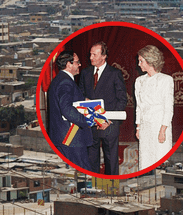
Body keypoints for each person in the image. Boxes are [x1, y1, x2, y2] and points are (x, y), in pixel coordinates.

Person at [78, 41, 127, 175]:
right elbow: (79, 95)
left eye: (94, 54)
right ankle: (94, 189)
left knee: (111, 160)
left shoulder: (114, 73)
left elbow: (122, 99)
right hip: (90, 125)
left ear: (104, 56)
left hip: (108, 125)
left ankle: (111, 189)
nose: (90, 57)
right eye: (90, 54)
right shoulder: (85, 73)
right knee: (91, 160)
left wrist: (108, 120)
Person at [47, 50, 93, 170]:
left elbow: (70, 100)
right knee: (84, 171)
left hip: (63, 137)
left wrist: (84, 100)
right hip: (72, 138)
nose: (80, 65)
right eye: (77, 62)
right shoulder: (65, 82)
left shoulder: (59, 80)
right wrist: (88, 121)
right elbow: (67, 109)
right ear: (69, 64)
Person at [135, 45, 174, 171]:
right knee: (145, 161)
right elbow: (139, 107)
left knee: (160, 159)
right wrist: (138, 127)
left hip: (159, 125)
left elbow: (168, 107)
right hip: (145, 126)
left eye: (141, 61)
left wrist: (163, 130)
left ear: (150, 61)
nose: (139, 64)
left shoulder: (166, 80)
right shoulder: (139, 81)